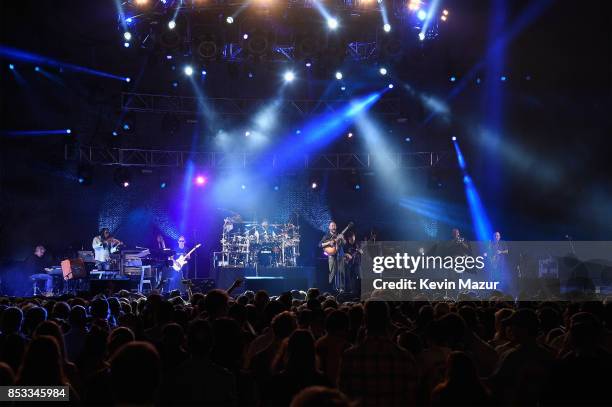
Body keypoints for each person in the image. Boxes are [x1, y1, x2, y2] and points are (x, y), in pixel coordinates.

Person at [339, 300, 418, 406]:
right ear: (388, 321)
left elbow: (343, 395)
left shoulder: (350, 357)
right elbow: (411, 398)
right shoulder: (405, 357)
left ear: (365, 320)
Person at [319, 222, 346, 292]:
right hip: (331, 256)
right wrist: (329, 243)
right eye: (332, 226)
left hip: (340, 255)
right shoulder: (326, 236)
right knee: (332, 272)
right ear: (329, 227)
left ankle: (341, 288)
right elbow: (320, 245)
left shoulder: (339, 235)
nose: (333, 227)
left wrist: (342, 239)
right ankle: (331, 288)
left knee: (341, 271)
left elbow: (344, 243)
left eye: (334, 225)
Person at [343, 232, 362, 296]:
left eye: (353, 239)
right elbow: (343, 254)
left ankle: (360, 291)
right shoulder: (346, 245)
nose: (353, 241)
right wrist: (347, 255)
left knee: (359, 277)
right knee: (351, 278)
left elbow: (363, 252)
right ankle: (353, 291)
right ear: (348, 239)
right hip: (350, 264)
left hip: (357, 263)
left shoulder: (358, 244)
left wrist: (361, 252)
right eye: (351, 240)